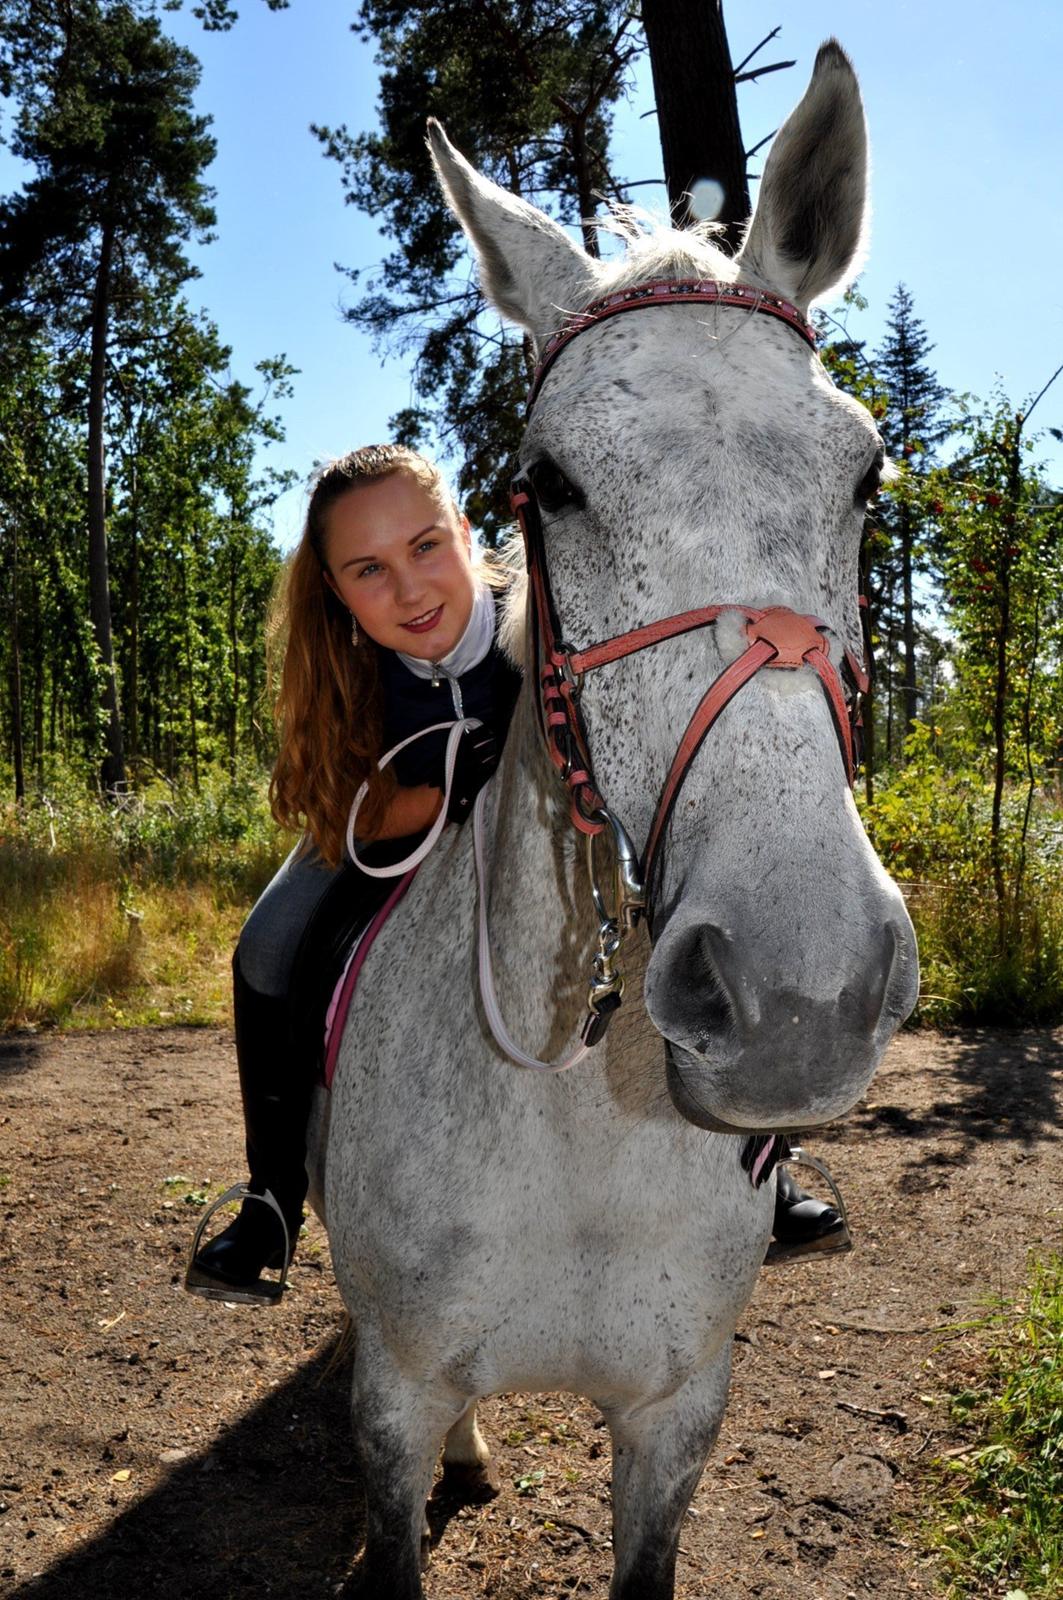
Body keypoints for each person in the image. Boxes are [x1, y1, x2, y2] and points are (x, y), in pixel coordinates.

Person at [185, 443, 843, 1306]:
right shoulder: (337, 660)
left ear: (464, 532)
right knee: (267, 946)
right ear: (337, 591)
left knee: (704, 909)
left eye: (425, 546)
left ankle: (766, 1164)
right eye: (368, 570)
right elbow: (337, 808)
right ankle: (271, 1199)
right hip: (396, 837)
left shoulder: (547, 619)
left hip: (564, 837)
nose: (411, 589)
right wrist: (457, 784)